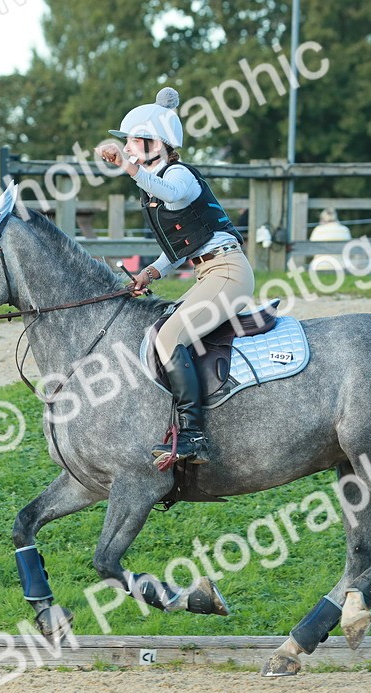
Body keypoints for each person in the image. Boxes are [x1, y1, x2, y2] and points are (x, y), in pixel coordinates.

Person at [97, 87, 254, 469]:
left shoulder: (178, 175)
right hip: (207, 271)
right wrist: (152, 271)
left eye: (135, 140)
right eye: (129, 142)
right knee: (159, 332)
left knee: (169, 338)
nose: (129, 147)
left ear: (157, 143)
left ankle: (194, 435)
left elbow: (169, 192)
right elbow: (181, 246)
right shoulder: (153, 183)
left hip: (228, 271)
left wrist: (129, 168)